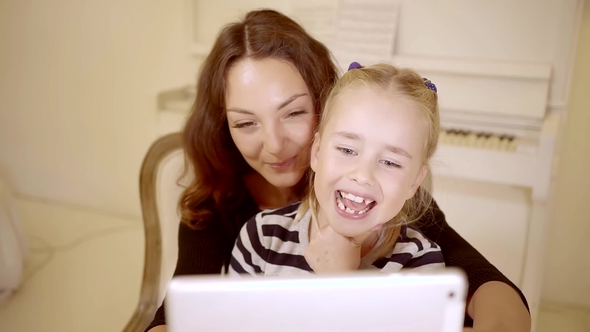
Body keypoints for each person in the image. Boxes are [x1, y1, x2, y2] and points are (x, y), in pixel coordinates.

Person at [145, 9, 531, 332]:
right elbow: (181, 318)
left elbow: (482, 285)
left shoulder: (393, 218)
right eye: (246, 123)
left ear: (322, 105)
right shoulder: (246, 229)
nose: (275, 145)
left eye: (294, 113)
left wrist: (344, 285)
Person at [229, 63, 445, 276]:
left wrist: (341, 279)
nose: (362, 175)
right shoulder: (261, 238)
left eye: (390, 162)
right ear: (317, 152)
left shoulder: (421, 264)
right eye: (347, 150)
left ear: (415, 182)